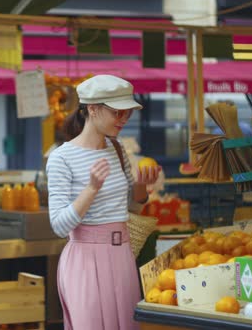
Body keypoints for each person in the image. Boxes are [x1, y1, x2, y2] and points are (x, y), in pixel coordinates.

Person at [46, 75, 161, 330]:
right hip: (84, 259)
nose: (123, 120)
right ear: (93, 109)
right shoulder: (60, 158)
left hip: (122, 256)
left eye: (127, 113)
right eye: (117, 113)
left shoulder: (117, 149)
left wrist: (142, 188)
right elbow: (58, 226)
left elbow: (132, 208)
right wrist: (91, 189)